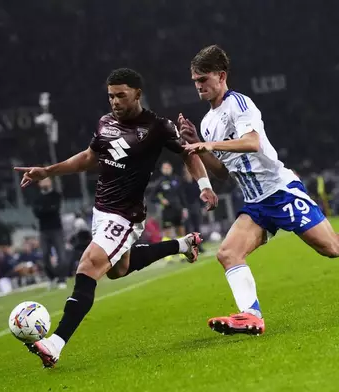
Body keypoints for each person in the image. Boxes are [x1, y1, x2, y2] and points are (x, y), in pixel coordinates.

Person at [178, 45, 339, 336]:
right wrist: (199, 147)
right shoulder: (207, 122)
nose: (198, 86)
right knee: (228, 253)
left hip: (281, 191)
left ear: (221, 76)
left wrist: (209, 145)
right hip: (256, 203)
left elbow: (252, 142)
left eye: (203, 79)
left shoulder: (240, 104)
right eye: (195, 81)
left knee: (333, 247)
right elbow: (224, 173)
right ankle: (251, 316)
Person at [14, 68, 218, 367]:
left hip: (125, 215)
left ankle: (55, 343)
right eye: (111, 96)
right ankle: (183, 245)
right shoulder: (105, 123)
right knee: (117, 269)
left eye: (121, 95)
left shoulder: (158, 127)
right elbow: (88, 157)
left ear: (137, 93)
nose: (115, 101)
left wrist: (204, 187)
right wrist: (48, 170)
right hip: (101, 211)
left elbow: (188, 153)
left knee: (88, 266)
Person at [32, 177, 67, 289]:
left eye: (47, 180)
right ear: (39, 183)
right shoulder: (37, 198)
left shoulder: (56, 195)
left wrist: (44, 210)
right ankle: (52, 277)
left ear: (50, 182)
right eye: (42, 180)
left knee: (61, 255)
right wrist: (47, 209)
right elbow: (37, 213)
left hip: (56, 229)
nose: (45, 182)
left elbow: (54, 209)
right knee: (44, 255)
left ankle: (62, 279)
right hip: (43, 230)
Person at [154, 161, 188, 238]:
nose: (166, 169)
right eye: (164, 168)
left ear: (171, 168)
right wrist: (161, 200)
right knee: (167, 231)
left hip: (178, 209)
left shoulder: (177, 179)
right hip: (167, 210)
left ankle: (183, 248)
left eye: (168, 167)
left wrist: (185, 208)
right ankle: (168, 248)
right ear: (162, 169)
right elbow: (152, 196)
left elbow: (181, 194)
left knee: (181, 229)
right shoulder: (160, 182)